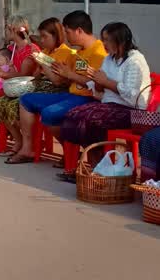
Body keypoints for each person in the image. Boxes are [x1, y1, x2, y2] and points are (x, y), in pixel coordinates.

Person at [56, 22, 151, 182]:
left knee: (89, 120)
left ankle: (100, 167)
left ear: (119, 41)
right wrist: (96, 80)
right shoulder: (109, 59)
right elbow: (99, 88)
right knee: (73, 115)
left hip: (130, 110)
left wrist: (105, 82)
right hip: (109, 104)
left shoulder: (135, 60)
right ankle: (94, 165)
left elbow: (132, 96)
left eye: (107, 40)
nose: (104, 44)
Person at [17, 11, 104, 169]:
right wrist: (44, 64)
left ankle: (74, 154)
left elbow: (97, 83)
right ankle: (28, 149)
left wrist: (68, 74)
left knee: (49, 113)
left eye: (68, 32)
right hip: (70, 94)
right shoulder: (76, 53)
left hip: (88, 98)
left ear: (79, 30)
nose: (66, 36)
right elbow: (60, 79)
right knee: (26, 99)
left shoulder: (99, 52)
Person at [0, 18, 73, 164]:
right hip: (39, 87)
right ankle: (23, 144)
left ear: (56, 36)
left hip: (56, 90)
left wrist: (42, 63)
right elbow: (36, 76)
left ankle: (31, 147)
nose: (42, 41)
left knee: (22, 102)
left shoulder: (65, 53)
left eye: (45, 37)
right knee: (2, 101)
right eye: (42, 36)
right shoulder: (45, 51)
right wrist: (37, 64)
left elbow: (57, 81)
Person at [0, 15, 41, 125]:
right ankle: (7, 130)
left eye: (6, 28)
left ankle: (12, 132)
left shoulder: (31, 50)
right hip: (11, 88)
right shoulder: (11, 49)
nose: (5, 31)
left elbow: (22, 77)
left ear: (14, 29)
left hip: (27, 89)